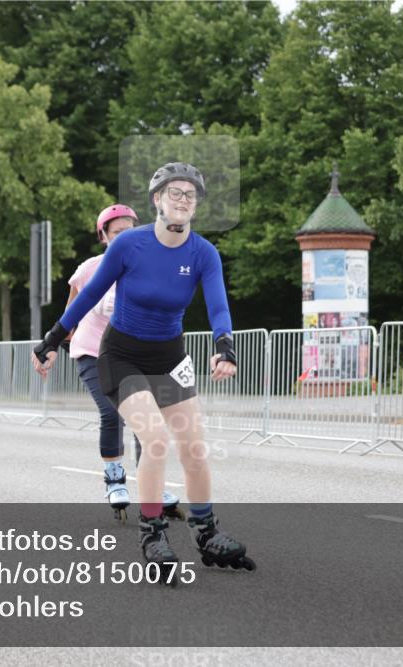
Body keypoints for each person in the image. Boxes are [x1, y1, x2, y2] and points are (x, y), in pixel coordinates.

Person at [33, 162, 254, 577]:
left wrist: (225, 345)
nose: (183, 200)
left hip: (170, 358)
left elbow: (218, 305)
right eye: (175, 193)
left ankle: (205, 531)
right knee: (154, 439)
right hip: (122, 356)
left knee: (194, 448)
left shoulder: (203, 253)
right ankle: (153, 532)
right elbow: (87, 297)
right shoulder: (129, 246)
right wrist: (52, 341)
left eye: (190, 195)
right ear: (157, 200)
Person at [66, 204, 183, 523]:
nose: (125, 237)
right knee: (111, 411)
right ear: (103, 236)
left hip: (135, 352)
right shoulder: (91, 268)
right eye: (118, 232)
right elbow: (72, 306)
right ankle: (114, 479)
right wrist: (58, 338)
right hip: (92, 350)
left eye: (131, 231)